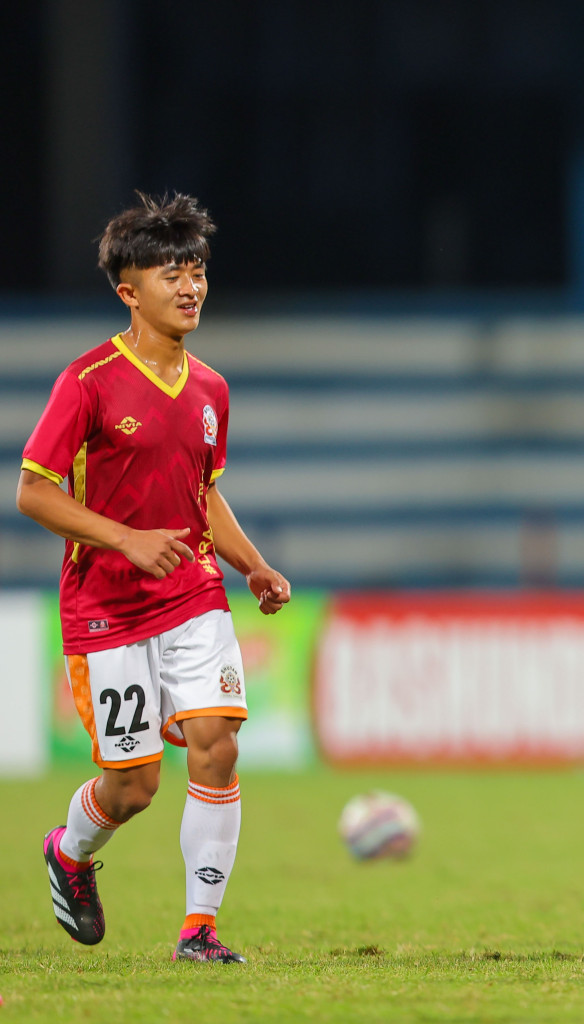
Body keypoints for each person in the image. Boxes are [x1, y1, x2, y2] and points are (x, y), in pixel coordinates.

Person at [23, 192, 291, 964]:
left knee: (217, 745)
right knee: (133, 786)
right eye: (170, 271)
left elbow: (202, 493)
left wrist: (253, 565)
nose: (190, 285)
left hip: (192, 594)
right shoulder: (88, 382)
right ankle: (69, 852)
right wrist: (126, 541)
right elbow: (33, 490)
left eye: (198, 269)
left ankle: (198, 930)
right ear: (127, 291)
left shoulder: (212, 390)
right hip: (106, 602)